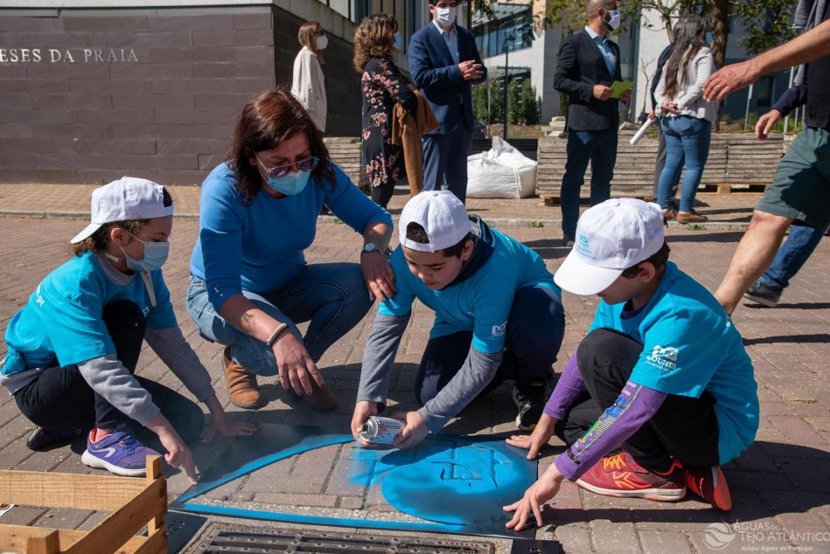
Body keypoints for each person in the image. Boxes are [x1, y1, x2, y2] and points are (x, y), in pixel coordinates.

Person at [503, 199, 758, 531]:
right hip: (669, 405)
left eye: (600, 279)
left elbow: (632, 407)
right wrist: (544, 425)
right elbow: (583, 366)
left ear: (644, 271)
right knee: (569, 418)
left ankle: (657, 472)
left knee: (602, 350)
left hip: (714, 429)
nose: (594, 291)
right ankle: (686, 470)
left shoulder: (681, 313)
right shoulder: (627, 291)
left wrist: (558, 473)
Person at [0, 177, 255, 480]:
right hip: (43, 391)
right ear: (119, 236)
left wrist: (215, 409)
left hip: (85, 376)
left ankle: (78, 426)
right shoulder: (75, 283)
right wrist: (162, 430)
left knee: (188, 423)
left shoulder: (145, 272)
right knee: (125, 318)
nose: (164, 248)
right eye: (158, 239)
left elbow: (173, 344)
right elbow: (101, 369)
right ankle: (104, 437)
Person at [187, 89, 394, 412]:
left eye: (302, 159)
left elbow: (375, 218)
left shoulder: (319, 171)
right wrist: (281, 336)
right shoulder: (224, 189)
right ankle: (241, 359)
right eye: (279, 164)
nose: (296, 171)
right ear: (251, 156)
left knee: (357, 286)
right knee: (275, 346)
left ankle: (301, 372)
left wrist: (372, 250)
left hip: (286, 283)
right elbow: (222, 291)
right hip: (222, 297)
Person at [351, 190, 566, 449]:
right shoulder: (402, 260)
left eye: (436, 267)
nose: (421, 275)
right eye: (413, 263)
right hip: (462, 320)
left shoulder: (496, 267)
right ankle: (509, 362)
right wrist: (368, 396)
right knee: (430, 394)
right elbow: (386, 330)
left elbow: (482, 364)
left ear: (466, 249)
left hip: (527, 305)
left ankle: (533, 379)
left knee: (538, 322)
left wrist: (427, 420)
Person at [711, 1, 830, 314]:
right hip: (816, 132)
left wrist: (755, 66)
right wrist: (782, 105)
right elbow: (815, 65)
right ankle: (717, 318)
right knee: (768, 216)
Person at [553, 0, 631, 246]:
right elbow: (560, 80)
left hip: (609, 124)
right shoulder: (574, 43)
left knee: (603, 180)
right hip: (583, 125)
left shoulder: (613, 47)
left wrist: (621, 92)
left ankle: (598, 232)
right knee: (574, 178)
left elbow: (613, 79)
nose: (618, 15)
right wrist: (590, 90)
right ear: (601, 13)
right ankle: (570, 232)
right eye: (614, 10)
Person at [744, 84, 826, 307]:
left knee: (815, 213)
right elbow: (807, 81)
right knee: (780, 212)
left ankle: (770, 283)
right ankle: (764, 285)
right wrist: (779, 108)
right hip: (816, 133)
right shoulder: (815, 51)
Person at [409, 0, 486, 204]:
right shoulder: (421, 38)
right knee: (432, 185)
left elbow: (479, 68)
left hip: (463, 119)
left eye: (453, 4)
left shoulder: (466, 36)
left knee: (458, 182)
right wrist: (457, 72)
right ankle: (427, 231)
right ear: (432, 8)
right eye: (443, 4)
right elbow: (420, 77)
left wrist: (477, 73)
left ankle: (457, 231)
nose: (449, 10)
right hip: (437, 121)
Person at [654, 15, 717, 224]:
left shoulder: (674, 55)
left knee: (671, 163)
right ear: (698, 33)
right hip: (692, 117)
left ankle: (663, 206)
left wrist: (665, 103)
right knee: (694, 166)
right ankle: (685, 210)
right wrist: (681, 104)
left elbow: (659, 89)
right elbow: (702, 85)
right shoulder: (703, 53)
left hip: (669, 119)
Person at [354, 14, 419, 208]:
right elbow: (405, 97)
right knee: (381, 195)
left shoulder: (374, 65)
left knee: (382, 193)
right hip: (383, 137)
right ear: (383, 35)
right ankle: (373, 234)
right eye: (393, 31)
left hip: (378, 135)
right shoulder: (380, 66)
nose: (397, 36)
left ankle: (374, 232)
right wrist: (416, 93)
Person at [648, 23, 682, 207]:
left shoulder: (673, 51)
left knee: (673, 157)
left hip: (670, 111)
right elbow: (658, 82)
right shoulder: (674, 52)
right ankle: (661, 198)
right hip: (670, 113)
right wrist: (656, 106)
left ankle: (666, 197)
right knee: (668, 155)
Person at [291, 21, 328, 133]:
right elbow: (307, 89)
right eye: (319, 32)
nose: (322, 36)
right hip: (310, 118)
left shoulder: (310, 56)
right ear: (310, 35)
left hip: (312, 117)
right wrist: (310, 118)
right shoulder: (306, 56)